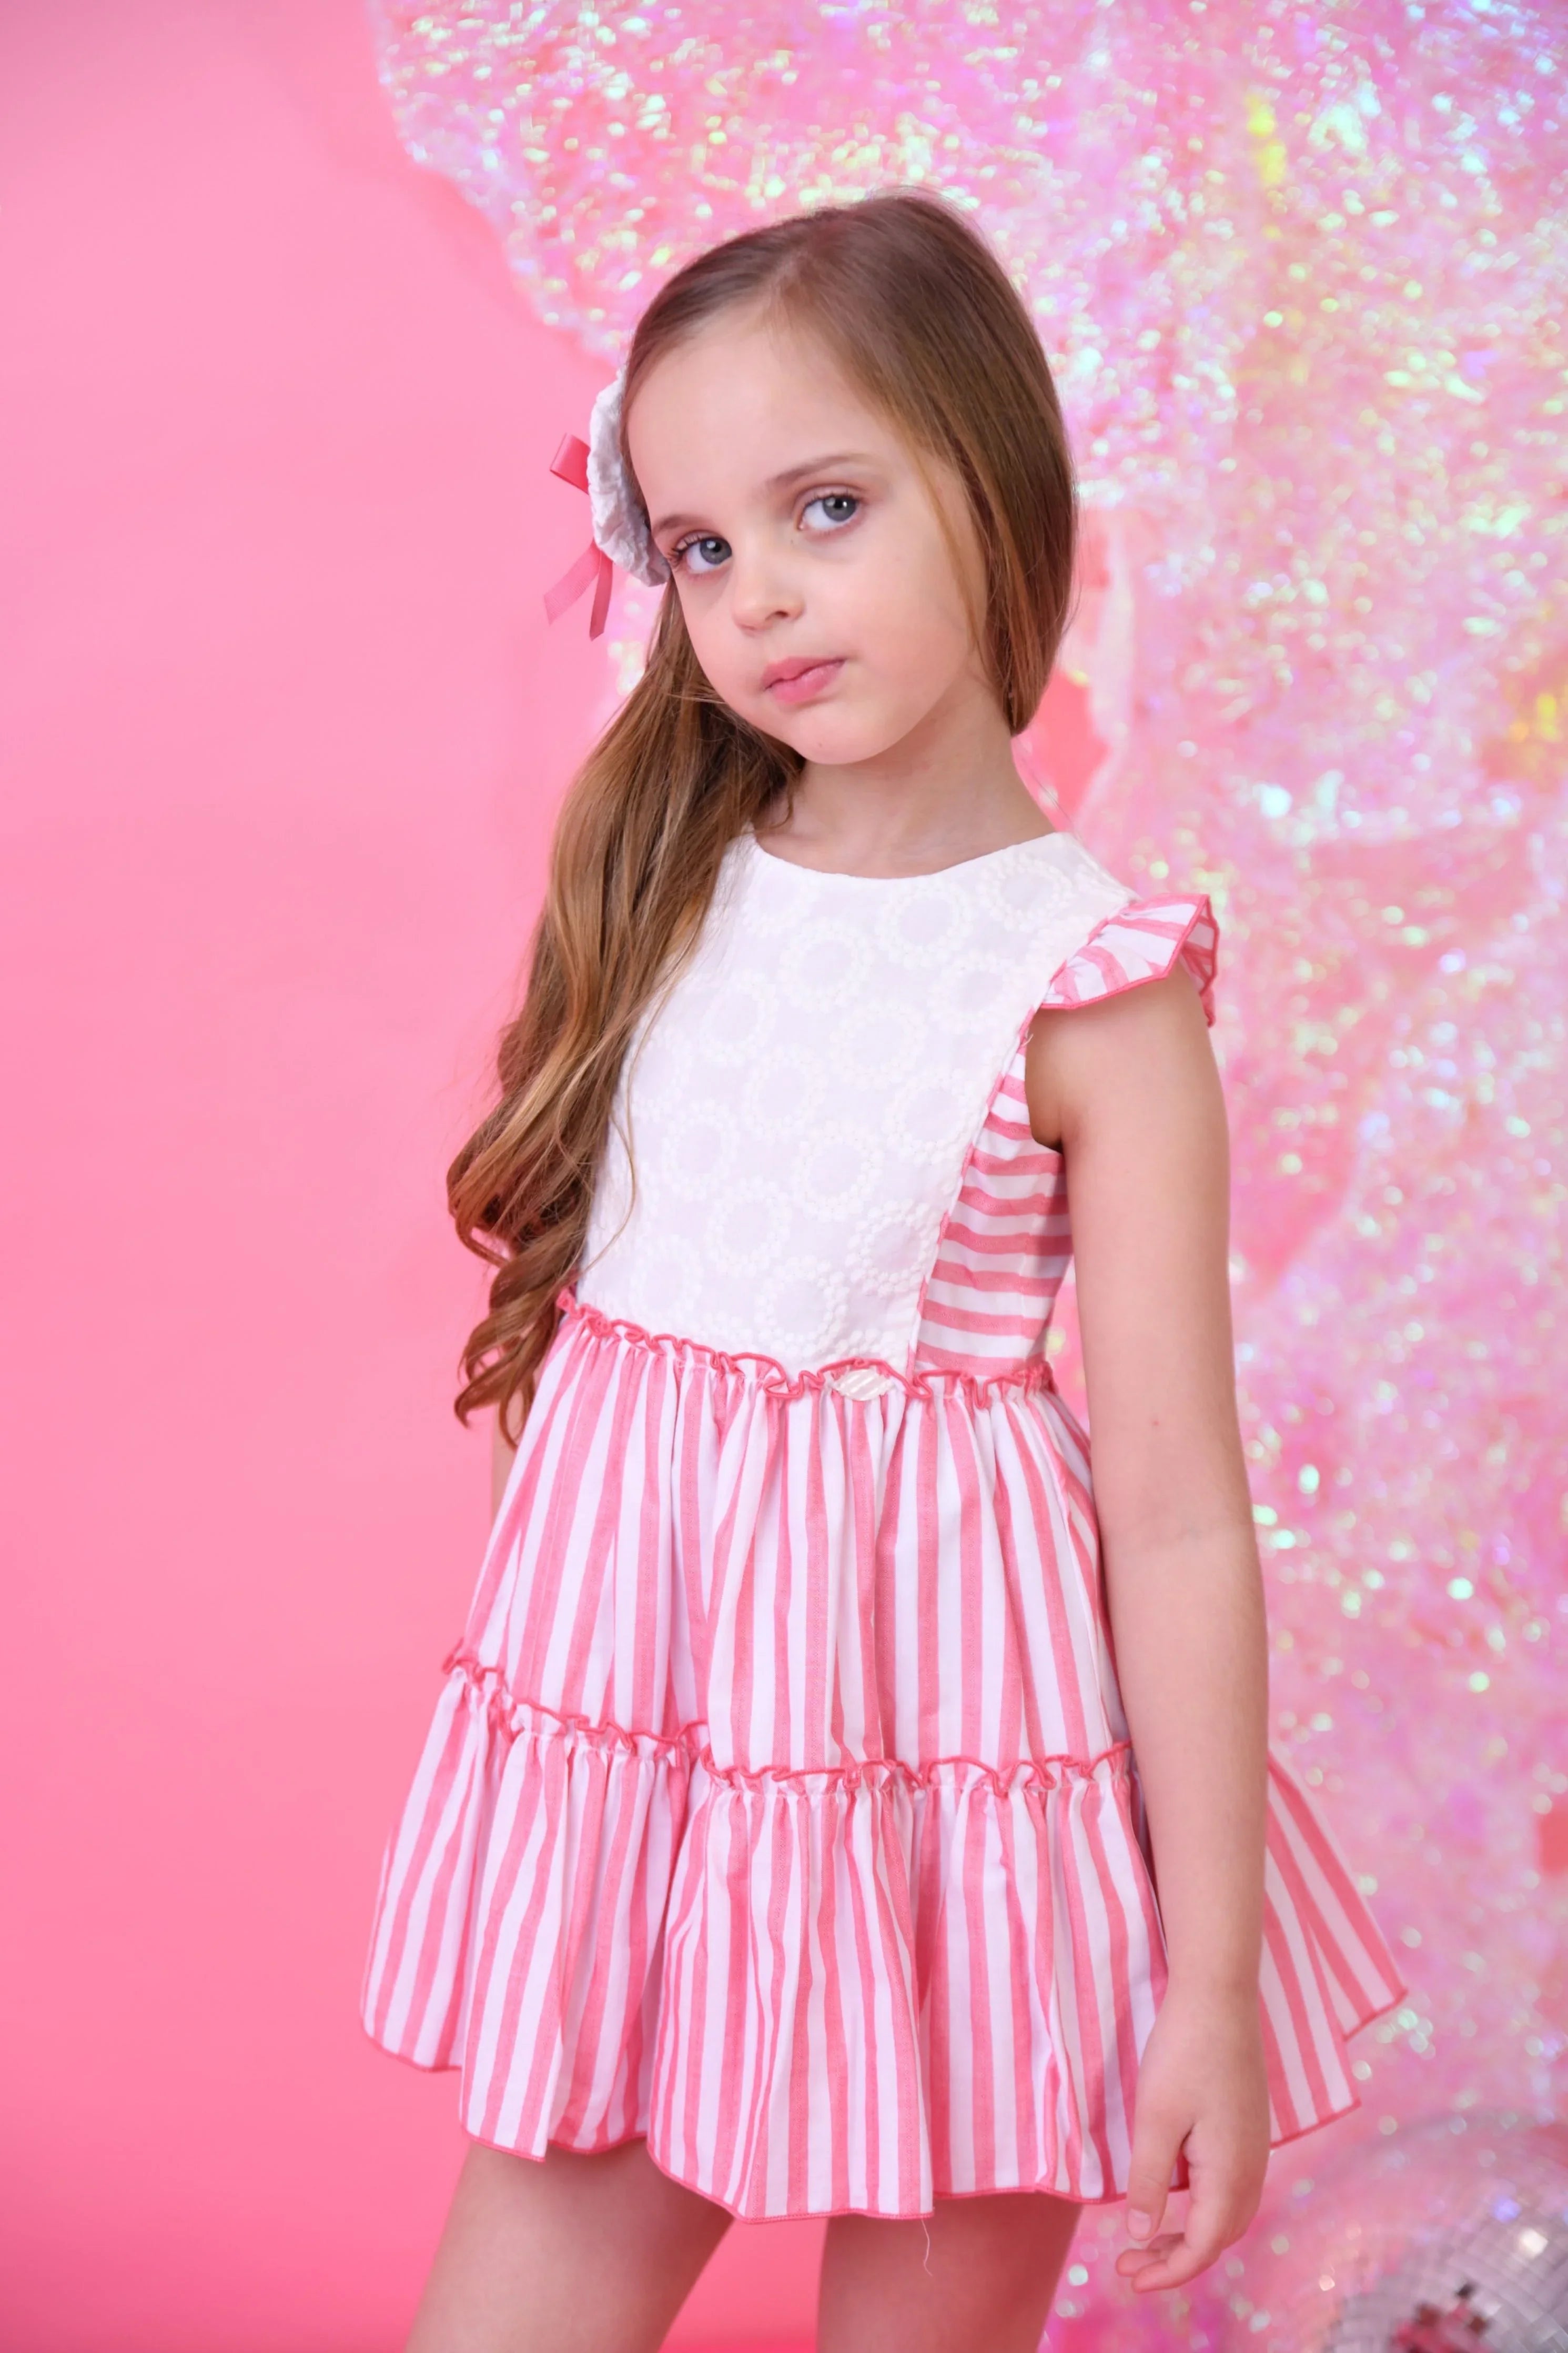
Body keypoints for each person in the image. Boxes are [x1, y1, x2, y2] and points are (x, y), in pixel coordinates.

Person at [361, 187, 1403, 2353]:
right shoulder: (668, 877)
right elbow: (601, 1367)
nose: (754, 597)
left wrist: (1197, 1979)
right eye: (703, 545)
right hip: (660, 1783)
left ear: (991, 482)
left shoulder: (1086, 977)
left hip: (962, 1805)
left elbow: (1178, 1509)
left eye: (821, 506)